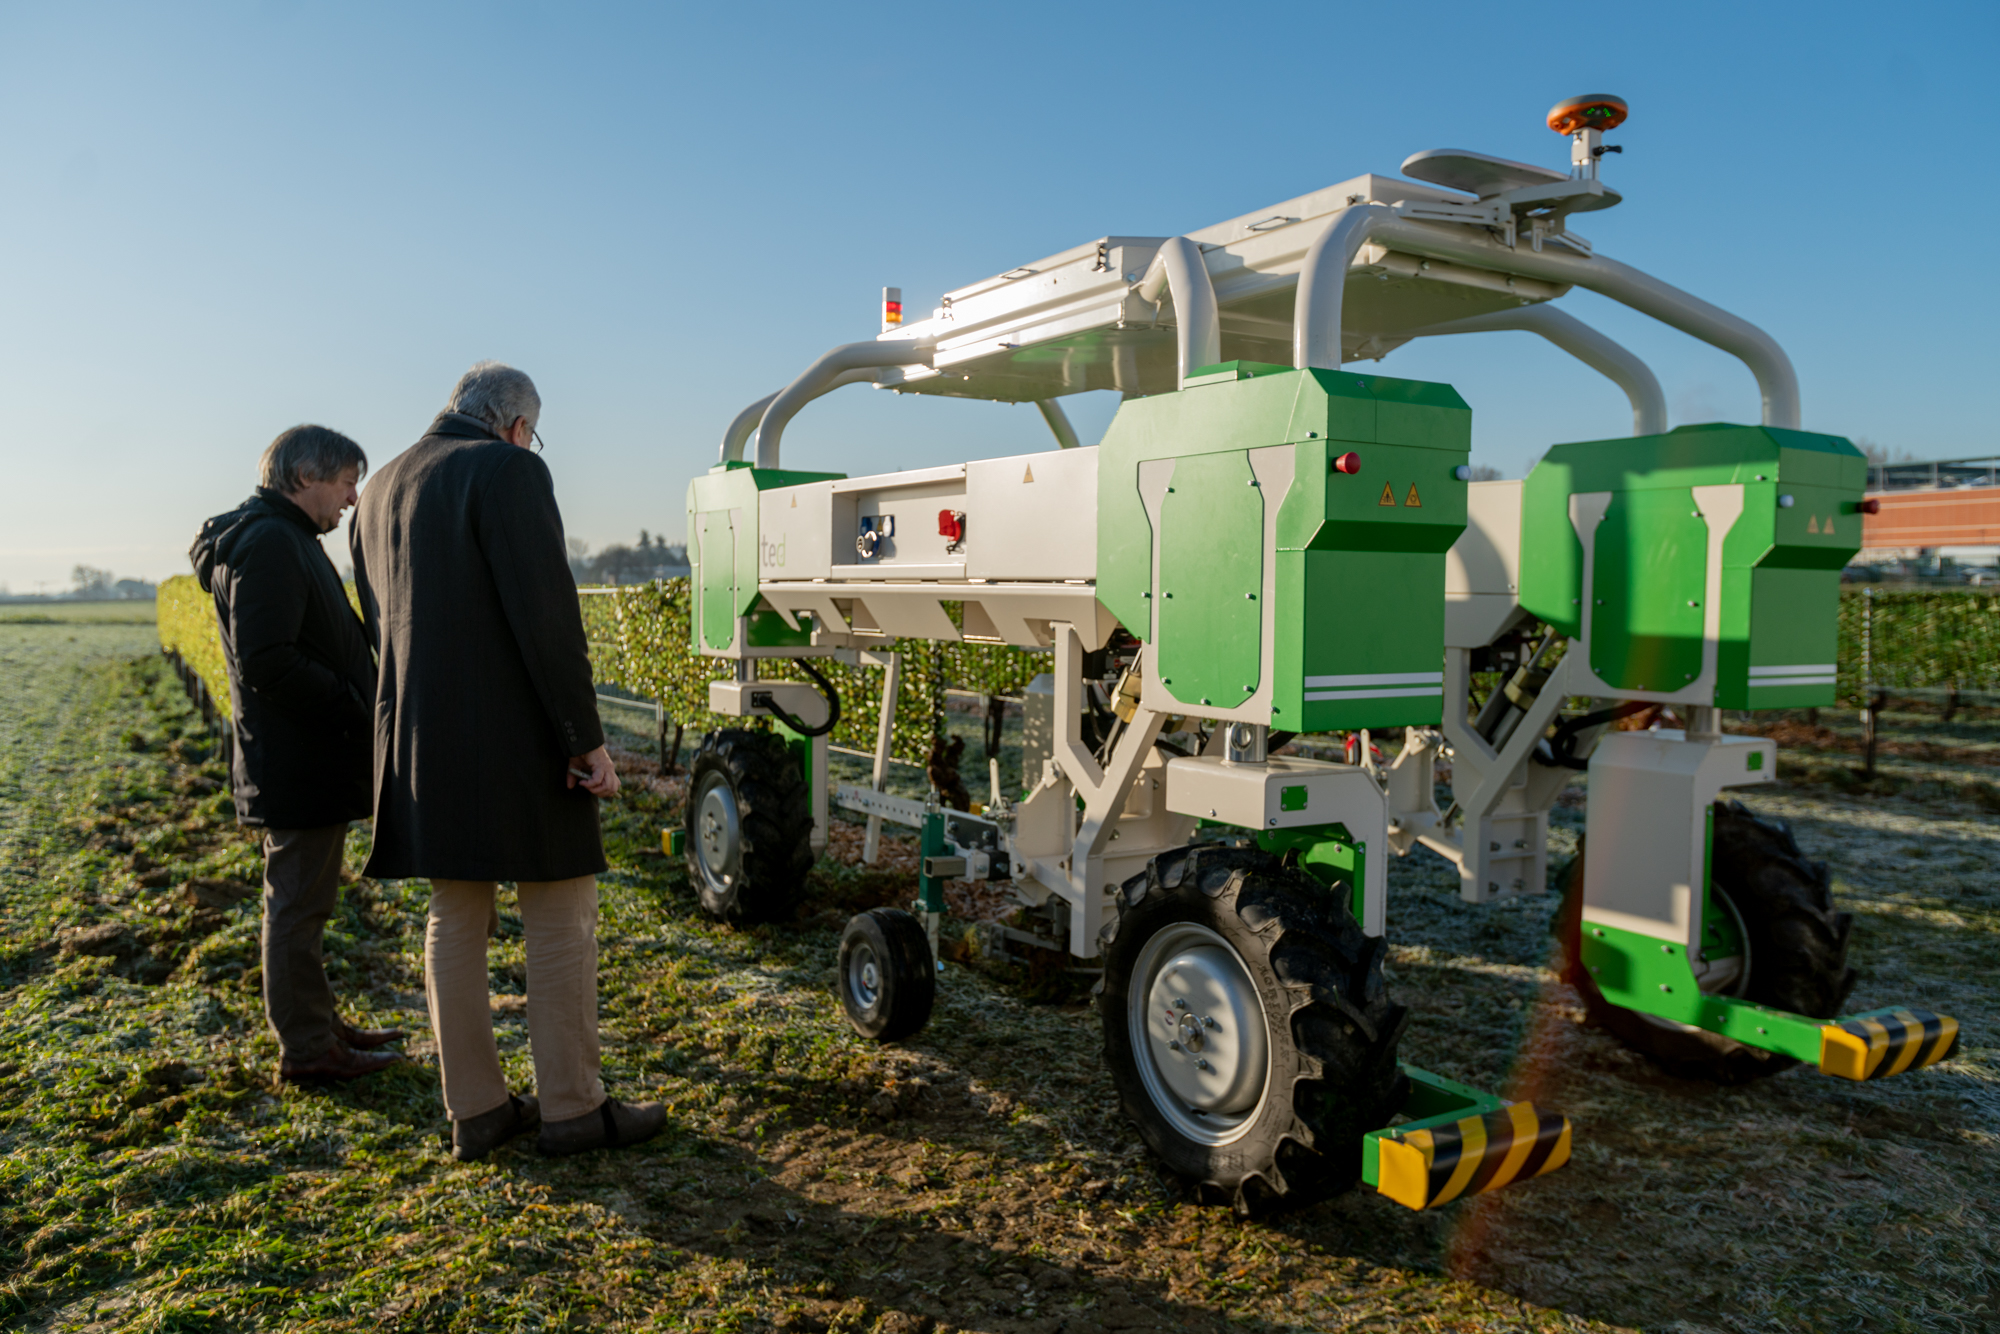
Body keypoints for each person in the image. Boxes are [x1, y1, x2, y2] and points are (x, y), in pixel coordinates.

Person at [349, 361, 664, 1162]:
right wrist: (584, 740)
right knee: (560, 912)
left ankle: (478, 1110)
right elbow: (547, 617)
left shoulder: (380, 486)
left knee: (453, 916)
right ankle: (572, 1108)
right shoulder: (509, 470)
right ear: (517, 425)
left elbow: (380, 625)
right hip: (518, 739)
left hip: (420, 741)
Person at [189, 426, 405, 1083]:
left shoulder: (279, 537)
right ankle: (309, 1050)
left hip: (301, 758)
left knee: (303, 907)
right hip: (301, 760)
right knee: (295, 909)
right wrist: (350, 701)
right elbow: (268, 659)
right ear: (304, 475)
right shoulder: (273, 543)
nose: (351, 497)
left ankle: (318, 1024)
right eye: (345, 481)